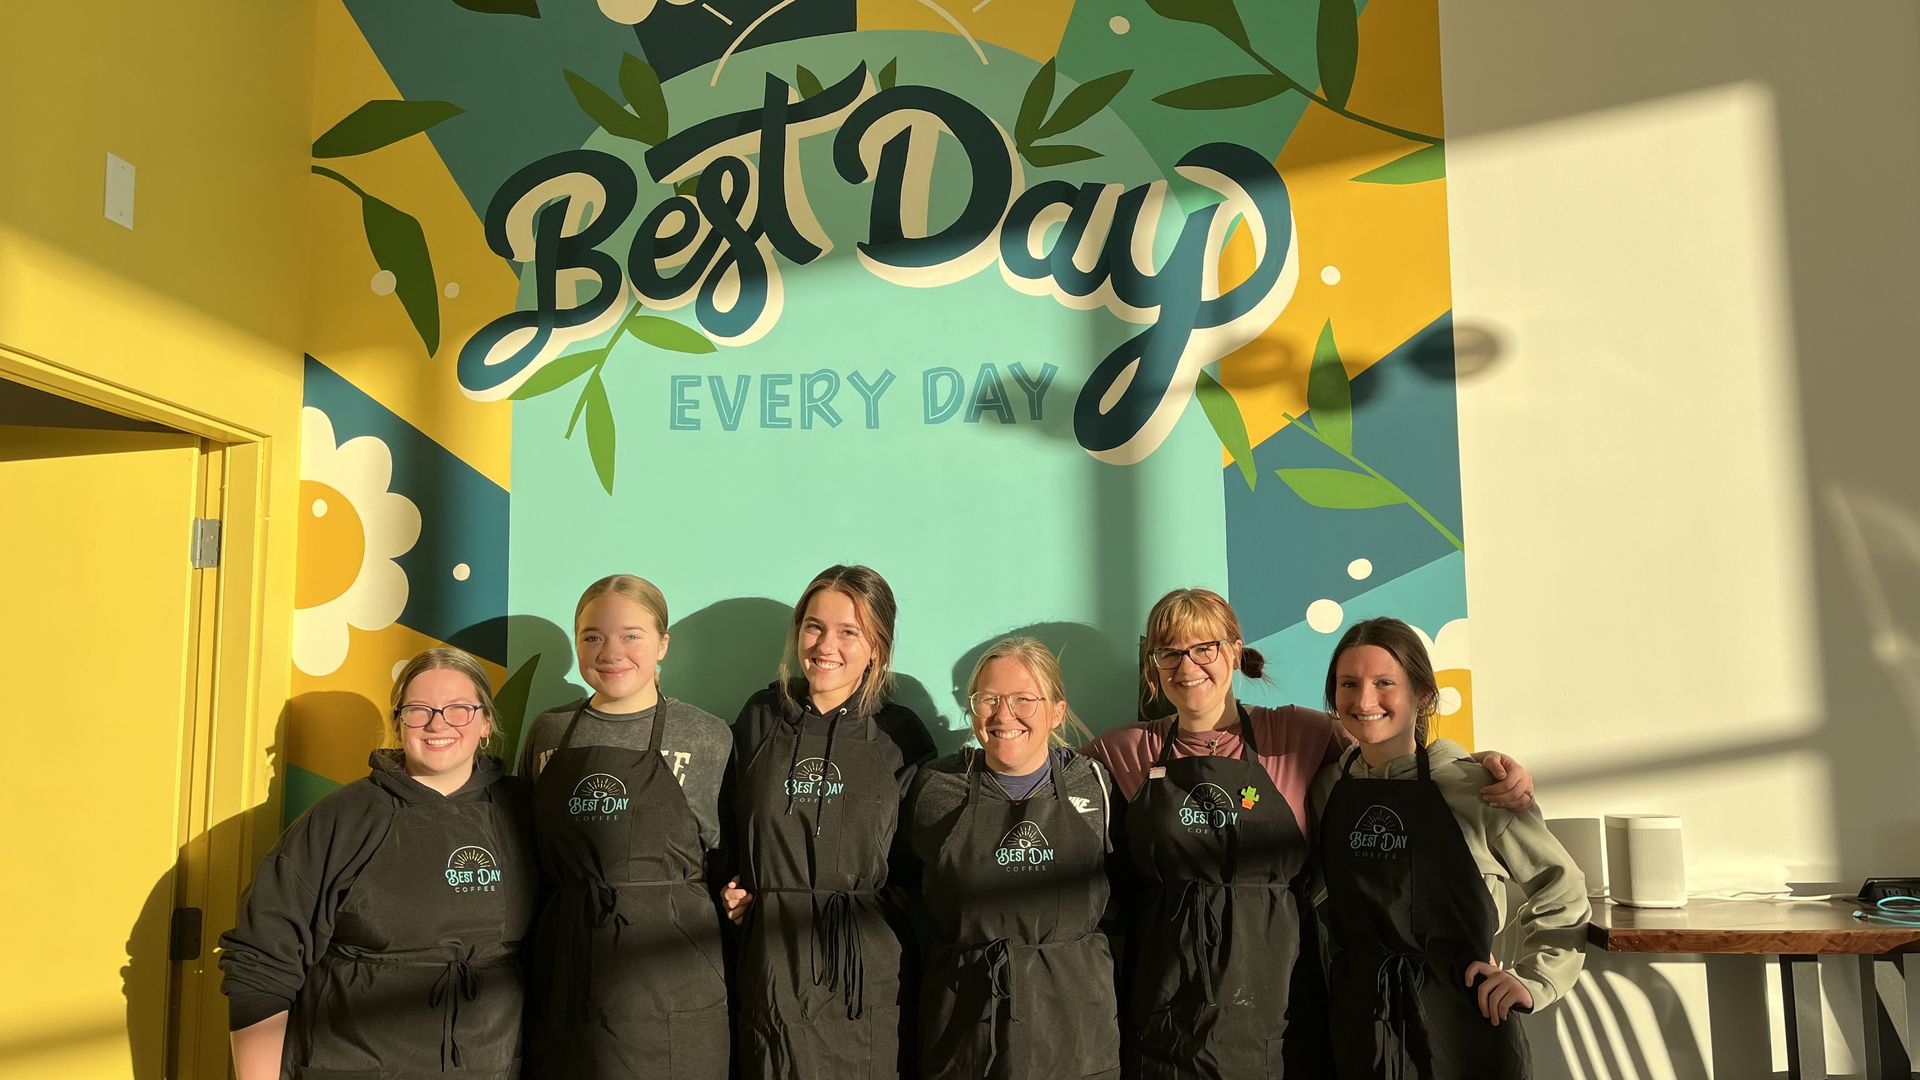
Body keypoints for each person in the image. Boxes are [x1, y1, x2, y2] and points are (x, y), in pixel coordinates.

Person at [1084, 588, 1537, 1078]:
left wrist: (1478, 765)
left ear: (1235, 651)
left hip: (1279, 998)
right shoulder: (1122, 752)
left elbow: (1386, 750)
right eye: (1169, 652)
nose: (1187, 664)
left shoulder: (1301, 735)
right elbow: (1047, 787)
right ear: (1154, 665)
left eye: (1204, 648)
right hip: (1168, 1001)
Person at [220, 647, 534, 1079]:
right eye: (419, 710)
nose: (438, 723)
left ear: (486, 723)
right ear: (398, 723)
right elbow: (261, 960)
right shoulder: (342, 819)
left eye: (459, 709)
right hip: (352, 1062)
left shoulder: (525, 813)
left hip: (489, 1065)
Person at [1309, 617, 1588, 1079]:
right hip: (1357, 1023)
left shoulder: (1473, 785)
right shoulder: (1328, 786)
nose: (1364, 700)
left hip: (1461, 1024)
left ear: (1423, 695)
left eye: (1384, 683)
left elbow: (1562, 887)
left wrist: (1534, 980)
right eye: (1348, 684)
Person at [721, 565, 936, 1079]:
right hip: (771, 952)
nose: (825, 645)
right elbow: (724, 812)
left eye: (848, 631)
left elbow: (927, 836)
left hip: (867, 957)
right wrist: (730, 882)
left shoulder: (900, 733)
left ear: (877, 647)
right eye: (814, 626)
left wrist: (904, 887)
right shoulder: (760, 716)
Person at [519, 574, 733, 1078]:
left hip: (673, 968)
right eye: (593, 636)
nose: (611, 651)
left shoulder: (707, 735)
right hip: (567, 965)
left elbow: (735, 852)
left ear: (663, 644)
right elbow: (524, 847)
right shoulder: (548, 731)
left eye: (631, 635)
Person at [905, 637, 1121, 1080]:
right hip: (965, 1028)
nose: (1005, 715)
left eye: (1025, 698)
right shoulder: (937, 789)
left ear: (1056, 711)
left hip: (1075, 1029)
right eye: (990, 699)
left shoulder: (1094, 783)